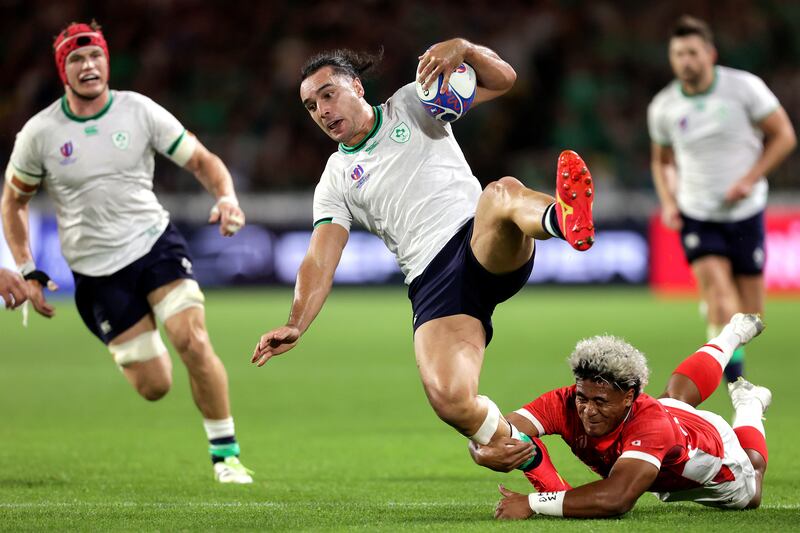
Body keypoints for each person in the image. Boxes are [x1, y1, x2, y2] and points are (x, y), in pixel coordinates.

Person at [251, 39, 595, 453]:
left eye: (328, 94)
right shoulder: (335, 179)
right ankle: (526, 460)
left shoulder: (413, 102)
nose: (322, 111)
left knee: (500, 193)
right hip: (432, 282)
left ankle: (564, 219)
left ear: (357, 88)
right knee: (450, 400)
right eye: (311, 106)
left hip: (477, 239)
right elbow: (320, 259)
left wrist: (464, 49)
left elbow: (504, 80)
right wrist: (295, 322)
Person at [1, 21, 253, 483]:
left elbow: (202, 160)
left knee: (193, 340)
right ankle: (137, 344)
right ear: (63, 71)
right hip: (96, 273)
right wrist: (27, 267)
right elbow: (13, 201)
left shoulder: (138, 111)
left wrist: (226, 196)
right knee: (155, 386)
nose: (88, 65)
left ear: (107, 61)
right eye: (75, 59)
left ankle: (227, 457)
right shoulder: (40, 133)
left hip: (154, 243)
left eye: (94, 55)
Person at [474, 313, 771, 519]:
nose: (588, 410)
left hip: (714, 456)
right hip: (668, 423)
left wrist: (532, 503)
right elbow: (498, 427)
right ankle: (732, 334)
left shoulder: (650, 424)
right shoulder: (566, 401)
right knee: (675, 398)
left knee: (751, 490)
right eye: (583, 398)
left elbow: (616, 499)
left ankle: (750, 404)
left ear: (630, 397)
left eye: (601, 402)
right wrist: (481, 450)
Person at [648, 15, 796, 382]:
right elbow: (663, 161)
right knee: (721, 293)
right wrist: (669, 200)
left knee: (752, 316)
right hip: (697, 211)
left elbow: (784, 136)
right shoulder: (664, 107)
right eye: (678, 53)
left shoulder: (745, 88)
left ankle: (717, 320)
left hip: (745, 210)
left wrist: (750, 178)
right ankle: (734, 383)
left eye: (692, 52)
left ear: (710, 54)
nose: (685, 61)